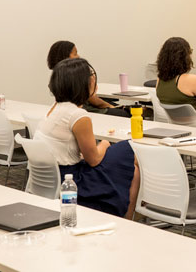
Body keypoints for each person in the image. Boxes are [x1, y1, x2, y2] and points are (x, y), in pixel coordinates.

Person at [35, 58, 139, 218]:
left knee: (129, 160)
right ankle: (129, 217)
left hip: (53, 177)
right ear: (81, 84)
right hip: (73, 183)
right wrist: (105, 143)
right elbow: (94, 160)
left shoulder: (55, 108)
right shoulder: (78, 115)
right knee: (130, 151)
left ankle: (128, 213)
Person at [46, 40, 129, 117]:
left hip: (75, 109)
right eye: (75, 54)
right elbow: (94, 100)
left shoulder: (56, 77)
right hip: (87, 109)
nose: (78, 56)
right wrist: (112, 107)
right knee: (126, 113)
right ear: (65, 57)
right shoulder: (77, 76)